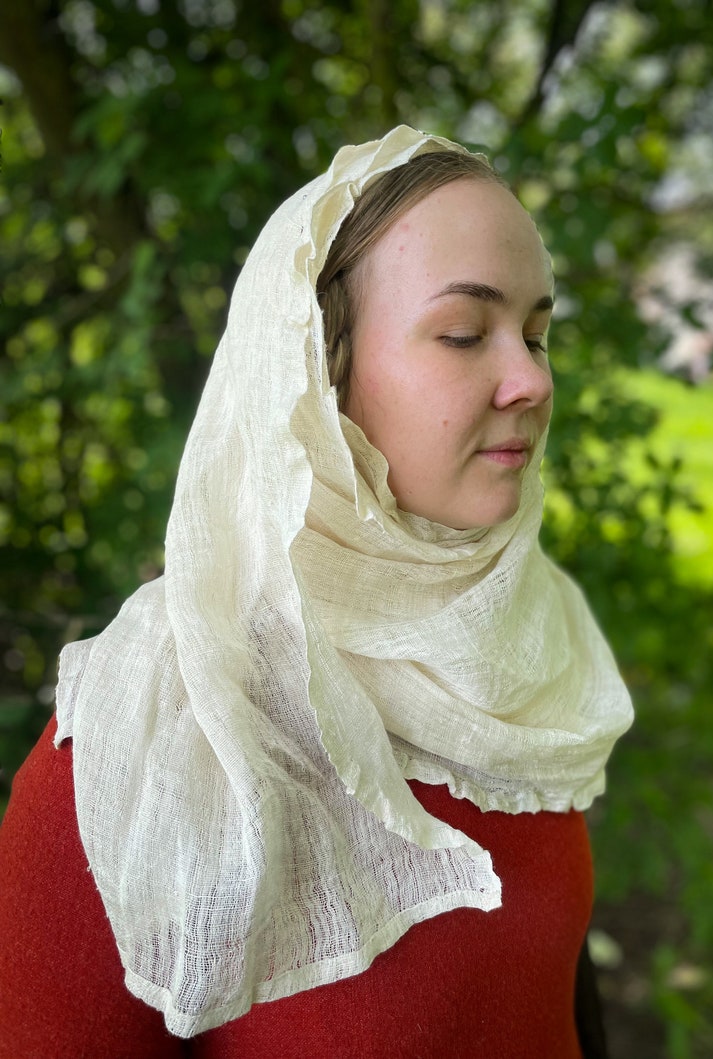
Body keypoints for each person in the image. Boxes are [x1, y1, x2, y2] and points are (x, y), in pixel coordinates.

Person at [0, 125, 633, 1057]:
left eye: (538, 334)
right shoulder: (147, 749)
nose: (531, 378)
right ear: (315, 373)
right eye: (465, 332)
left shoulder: (525, 657)